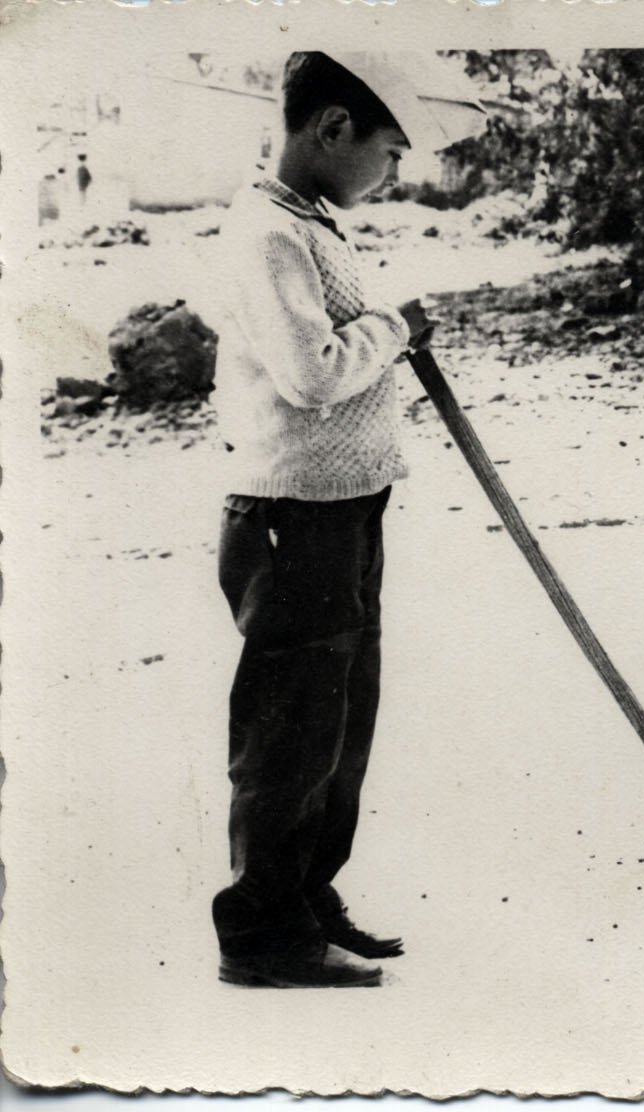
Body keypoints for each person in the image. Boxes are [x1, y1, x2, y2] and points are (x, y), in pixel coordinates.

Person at [211, 51, 477, 988]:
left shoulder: (308, 219)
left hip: (343, 510)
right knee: (289, 737)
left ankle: (308, 899)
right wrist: (394, 329)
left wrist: (389, 335)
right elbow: (314, 372)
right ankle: (264, 933)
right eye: (390, 152)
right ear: (331, 129)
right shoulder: (266, 235)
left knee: (339, 726)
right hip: (290, 521)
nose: (395, 174)